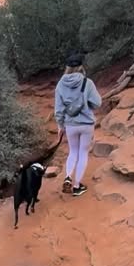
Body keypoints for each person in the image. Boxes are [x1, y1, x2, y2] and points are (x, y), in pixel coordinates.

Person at [54, 52, 102, 196]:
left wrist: (60, 126)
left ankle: (68, 176)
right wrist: (87, 105)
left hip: (70, 125)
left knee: (73, 152)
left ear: (67, 67)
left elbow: (58, 109)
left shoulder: (60, 85)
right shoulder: (87, 83)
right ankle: (76, 186)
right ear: (81, 66)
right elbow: (98, 103)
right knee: (83, 153)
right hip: (86, 124)